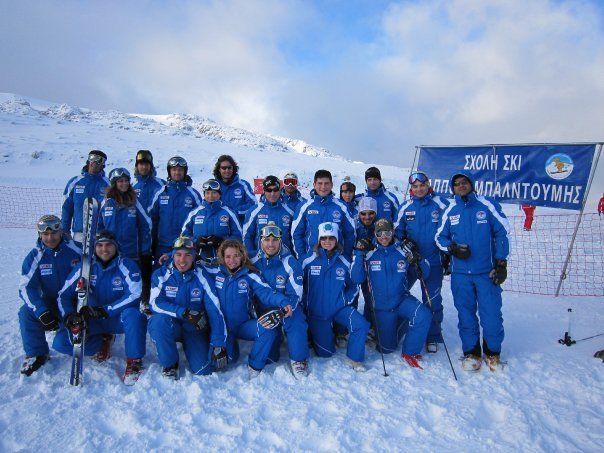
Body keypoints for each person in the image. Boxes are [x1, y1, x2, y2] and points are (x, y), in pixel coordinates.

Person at [436, 172, 510, 372]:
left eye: (464, 182)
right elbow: (439, 237)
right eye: (457, 184)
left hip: (486, 272)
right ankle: (472, 352)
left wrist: (501, 263)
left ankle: (493, 352)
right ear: (452, 188)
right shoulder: (450, 209)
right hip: (460, 275)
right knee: (466, 315)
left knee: (491, 315)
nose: (461, 186)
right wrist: (452, 248)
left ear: (471, 184)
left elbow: (502, 231)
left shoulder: (486, 205)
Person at [57, 230, 147, 384]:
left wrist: (107, 310)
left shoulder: (127, 265)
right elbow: (63, 295)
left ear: (116, 247)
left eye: (108, 245)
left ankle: (134, 361)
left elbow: (135, 294)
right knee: (60, 343)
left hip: (117, 318)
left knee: (134, 316)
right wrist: (69, 315)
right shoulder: (85, 267)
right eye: (99, 245)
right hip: (93, 318)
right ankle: (101, 342)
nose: (104, 249)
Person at [206, 239, 295, 378]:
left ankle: (254, 366)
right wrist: (170, 255)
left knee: (268, 329)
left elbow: (266, 292)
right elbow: (188, 260)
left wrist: (283, 302)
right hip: (220, 327)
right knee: (225, 360)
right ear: (222, 257)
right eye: (228, 256)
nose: (232, 260)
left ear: (242, 256)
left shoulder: (249, 275)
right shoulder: (214, 271)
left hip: (242, 324)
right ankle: (230, 348)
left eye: (236, 255)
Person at [351, 219, 432, 368]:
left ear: (393, 232)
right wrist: (359, 254)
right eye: (380, 233)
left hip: (401, 300)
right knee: (386, 349)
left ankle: (410, 352)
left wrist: (417, 259)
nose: (384, 237)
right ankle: (396, 324)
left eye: (387, 232)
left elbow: (425, 273)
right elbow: (356, 278)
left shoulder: (402, 249)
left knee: (423, 315)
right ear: (375, 233)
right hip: (381, 308)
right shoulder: (369, 252)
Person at [148, 236, 228, 378]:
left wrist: (218, 343)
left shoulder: (202, 276)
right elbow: (155, 303)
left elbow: (215, 310)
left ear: (194, 257)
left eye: (187, 255)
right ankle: (170, 363)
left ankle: (193, 348)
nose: (182, 260)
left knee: (204, 370)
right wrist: (183, 312)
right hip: (172, 324)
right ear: (172, 255)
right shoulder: (161, 274)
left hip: (194, 328)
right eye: (178, 255)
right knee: (158, 321)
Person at [300, 222, 369, 371]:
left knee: (361, 324)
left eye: (331, 238)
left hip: (339, 308)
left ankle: (355, 359)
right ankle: (319, 335)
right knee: (326, 353)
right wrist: (306, 306)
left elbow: (353, 286)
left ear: (336, 240)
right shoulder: (308, 260)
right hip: (317, 313)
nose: (327, 241)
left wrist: (344, 300)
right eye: (323, 238)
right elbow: (299, 287)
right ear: (319, 240)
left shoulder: (344, 261)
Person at [18, 215, 82, 376]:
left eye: (53, 233)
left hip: (76, 302)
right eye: (45, 234)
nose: (49, 238)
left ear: (60, 232)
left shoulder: (77, 249)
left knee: (71, 342)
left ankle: (101, 336)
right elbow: (27, 287)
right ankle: (37, 353)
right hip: (52, 303)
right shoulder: (35, 256)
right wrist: (42, 312)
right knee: (26, 312)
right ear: (40, 235)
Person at [394, 171, 449, 353]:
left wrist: (448, 254)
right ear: (411, 189)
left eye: (422, 186)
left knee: (432, 300)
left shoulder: (441, 204)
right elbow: (397, 234)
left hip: (433, 262)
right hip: (410, 262)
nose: (419, 189)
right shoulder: (406, 207)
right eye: (415, 186)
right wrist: (405, 246)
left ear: (428, 185)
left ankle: (433, 335)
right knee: (398, 295)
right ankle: (395, 329)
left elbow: (450, 230)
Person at [250, 224, 310, 378]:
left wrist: (285, 308)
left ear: (280, 242)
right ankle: (276, 337)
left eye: (275, 240)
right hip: (265, 310)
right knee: (271, 357)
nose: (271, 244)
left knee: (295, 321)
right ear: (261, 241)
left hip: (288, 307)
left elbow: (295, 294)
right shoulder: (253, 261)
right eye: (267, 240)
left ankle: (298, 359)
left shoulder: (290, 262)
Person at [292, 169, 357, 259]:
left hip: (336, 261)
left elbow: (350, 234)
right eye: (320, 183)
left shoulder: (342, 206)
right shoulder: (304, 206)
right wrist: (303, 257)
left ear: (332, 185)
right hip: (312, 259)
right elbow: (297, 234)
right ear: (314, 185)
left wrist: (345, 257)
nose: (323, 187)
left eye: (326, 183)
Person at [149, 156, 202, 262]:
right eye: (174, 170)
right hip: (163, 245)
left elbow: (200, 220)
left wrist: (196, 241)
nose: (177, 172)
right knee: (161, 276)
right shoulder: (160, 192)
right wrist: (152, 243)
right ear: (169, 171)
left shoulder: (193, 194)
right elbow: (151, 220)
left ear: (185, 172)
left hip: (186, 246)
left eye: (180, 170)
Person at [181, 179, 242, 265]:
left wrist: (222, 241)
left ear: (219, 194)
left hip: (223, 259)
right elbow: (184, 235)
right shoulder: (195, 213)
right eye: (208, 193)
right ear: (204, 194)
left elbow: (238, 236)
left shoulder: (228, 212)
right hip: (199, 258)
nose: (210, 196)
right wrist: (195, 241)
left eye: (214, 193)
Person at [132, 150, 164, 307]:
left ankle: (154, 298)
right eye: (141, 164)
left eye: (146, 164)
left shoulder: (160, 184)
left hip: (157, 234)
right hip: (139, 236)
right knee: (141, 268)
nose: (143, 167)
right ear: (136, 167)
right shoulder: (132, 187)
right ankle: (142, 300)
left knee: (156, 268)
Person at [99, 168, 152, 263]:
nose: (124, 183)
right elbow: (98, 227)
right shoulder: (105, 203)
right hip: (109, 253)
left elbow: (146, 225)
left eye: (126, 180)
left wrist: (145, 251)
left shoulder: (135, 202)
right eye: (120, 181)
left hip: (131, 253)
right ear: (114, 183)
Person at [61, 150, 110, 246]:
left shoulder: (108, 184)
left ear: (103, 165)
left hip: (100, 233)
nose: (95, 163)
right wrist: (65, 230)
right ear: (88, 161)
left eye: (99, 161)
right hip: (80, 233)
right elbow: (67, 207)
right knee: (78, 259)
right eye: (92, 159)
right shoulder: (75, 182)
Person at [243, 175, 295, 256]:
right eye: (269, 190)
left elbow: (295, 237)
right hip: (261, 260)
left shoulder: (289, 211)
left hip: (284, 259)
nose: (272, 193)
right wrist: (251, 256)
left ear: (280, 190)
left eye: (275, 190)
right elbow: (247, 236)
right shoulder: (254, 211)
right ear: (264, 191)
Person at [212, 155, 257, 224]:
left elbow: (253, 204)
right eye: (224, 168)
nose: (227, 170)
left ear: (233, 168)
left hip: (240, 226)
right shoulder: (214, 185)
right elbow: (207, 205)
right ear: (219, 169)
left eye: (229, 167)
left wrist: (234, 212)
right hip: (220, 226)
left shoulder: (243, 185)